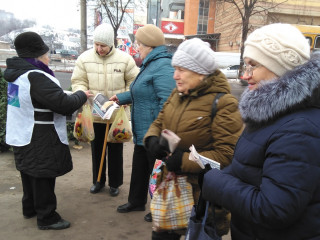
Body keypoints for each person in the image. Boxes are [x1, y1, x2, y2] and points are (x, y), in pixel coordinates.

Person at [202, 23, 320, 240]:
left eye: (252, 65)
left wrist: (215, 182)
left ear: (280, 66)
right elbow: (252, 171)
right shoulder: (272, 115)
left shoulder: (298, 129)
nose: (245, 76)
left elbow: (274, 209)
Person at [144, 38, 243, 240]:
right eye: (175, 69)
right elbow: (159, 121)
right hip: (172, 188)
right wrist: (152, 138)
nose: (175, 76)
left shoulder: (224, 103)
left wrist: (182, 160)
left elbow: (226, 155)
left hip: (202, 198)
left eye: (181, 69)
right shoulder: (177, 93)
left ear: (200, 72)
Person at [4, 31, 92, 230]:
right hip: (39, 135)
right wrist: (81, 95)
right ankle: (47, 217)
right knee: (43, 175)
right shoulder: (36, 76)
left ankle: (30, 208)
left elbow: (35, 100)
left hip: (21, 131)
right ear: (37, 55)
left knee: (28, 172)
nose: (48, 57)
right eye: (46, 54)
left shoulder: (16, 74)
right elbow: (62, 104)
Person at [110, 24, 176, 222]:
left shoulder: (163, 65)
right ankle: (136, 201)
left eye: (139, 44)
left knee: (158, 172)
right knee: (140, 168)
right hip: (143, 130)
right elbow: (141, 91)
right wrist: (120, 97)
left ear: (149, 45)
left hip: (156, 133)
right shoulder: (149, 64)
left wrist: (161, 134)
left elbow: (168, 101)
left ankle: (159, 208)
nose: (136, 47)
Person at [71, 23, 139, 196]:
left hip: (117, 115)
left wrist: (126, 99)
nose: (99, 48)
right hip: (95, 113)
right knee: (97, 150)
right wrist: (82, 93)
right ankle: (98, 181)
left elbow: (134, 83)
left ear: (111, 44)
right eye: (96, 44)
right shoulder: (84, 59)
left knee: (115, 151)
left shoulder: (125, 60)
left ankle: (115, 184)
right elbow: (78, 80)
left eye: (103, 45)